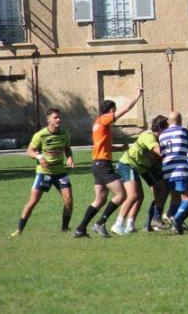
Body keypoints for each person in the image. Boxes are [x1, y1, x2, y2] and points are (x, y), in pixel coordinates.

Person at [73, 88, 143, 238]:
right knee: (121, 195)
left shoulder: (99, 124)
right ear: (111, 110)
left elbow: (104, 146)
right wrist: (137, 96)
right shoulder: (104, 119)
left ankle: (80, 229)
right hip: (103, 165)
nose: (115, 115)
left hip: (97, 164)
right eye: (114, 111)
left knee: (100, 199)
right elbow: (126, 109)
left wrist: (120, 148)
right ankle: (100, 223)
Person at [11, 108, 75, 236]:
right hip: (44, 172)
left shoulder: (64, 133)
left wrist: (69, 157)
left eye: (59, 117)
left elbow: (67, 148)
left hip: (60, 172)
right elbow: (29, 151)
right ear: (48, 120)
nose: (58, 120)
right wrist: (39, 157)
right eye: (55, 117)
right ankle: (19, 229)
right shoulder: (40, 135)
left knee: (69, 200)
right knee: (33, 201)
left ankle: (65, 228)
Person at [111, 115, 168, 235]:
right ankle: (118, 224)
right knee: (133, 195)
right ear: (162, 129)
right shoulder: (148, 136)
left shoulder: (156, 138)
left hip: (142, 167)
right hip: (128, 164)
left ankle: (130, 225)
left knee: (145, 194)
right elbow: (158, 151)